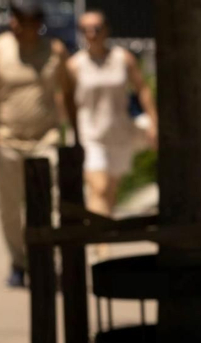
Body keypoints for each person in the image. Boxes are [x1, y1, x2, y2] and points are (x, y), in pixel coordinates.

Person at [0, 2, 68, 288]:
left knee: (52, 202)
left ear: (36, 22)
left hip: (46, 138)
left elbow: (68, 91)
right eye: (12, 18)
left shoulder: (55, 51)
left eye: (20, 19)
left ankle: (48, 259)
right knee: (10, 207)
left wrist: (73, 131)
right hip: (8, 140)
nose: (13, 24)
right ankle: (18, 261)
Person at [63, 10, 157, 220]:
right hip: (89, 135)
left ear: (106, 30)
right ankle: (101, 248)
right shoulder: (74, 65)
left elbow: (142, 88)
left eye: (96, 29)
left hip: (119, 132)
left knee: (110, 191)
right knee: (100, 187)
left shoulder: (123, 59)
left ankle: (100, 236)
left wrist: (153, 122)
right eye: (85, 30)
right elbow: (64, 101)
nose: (91, 34)